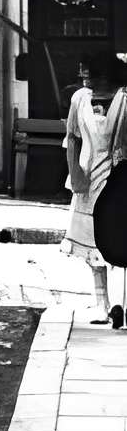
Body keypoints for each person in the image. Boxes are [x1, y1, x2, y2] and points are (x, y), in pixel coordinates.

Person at [63, 51, 127, 326]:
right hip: (88, 178)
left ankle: (123, 305)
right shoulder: (79, 99)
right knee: (92, 243)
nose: (89, 80)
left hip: (120, 177)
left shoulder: (125, 98)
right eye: (87, 74)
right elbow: (72, 138)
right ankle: (101, 304)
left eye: (96, 75)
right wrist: (75, 173)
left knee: (123, 240)